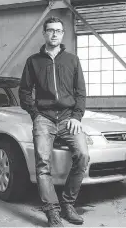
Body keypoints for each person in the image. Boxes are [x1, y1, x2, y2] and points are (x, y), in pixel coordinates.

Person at [19, 16, 89, 227]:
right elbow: (24, 91)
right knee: (43, 164)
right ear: (44, 33)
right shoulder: (33, 61)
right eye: (50, 30)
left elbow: (81, 93)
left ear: (63, 34)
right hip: (45, 118)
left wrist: (77, 117)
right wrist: (36, 114)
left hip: (68, 118)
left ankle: (68, 204)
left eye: (58, 30)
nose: (54, 34)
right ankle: (52, 211)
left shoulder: (72, 60)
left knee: (83, 156)